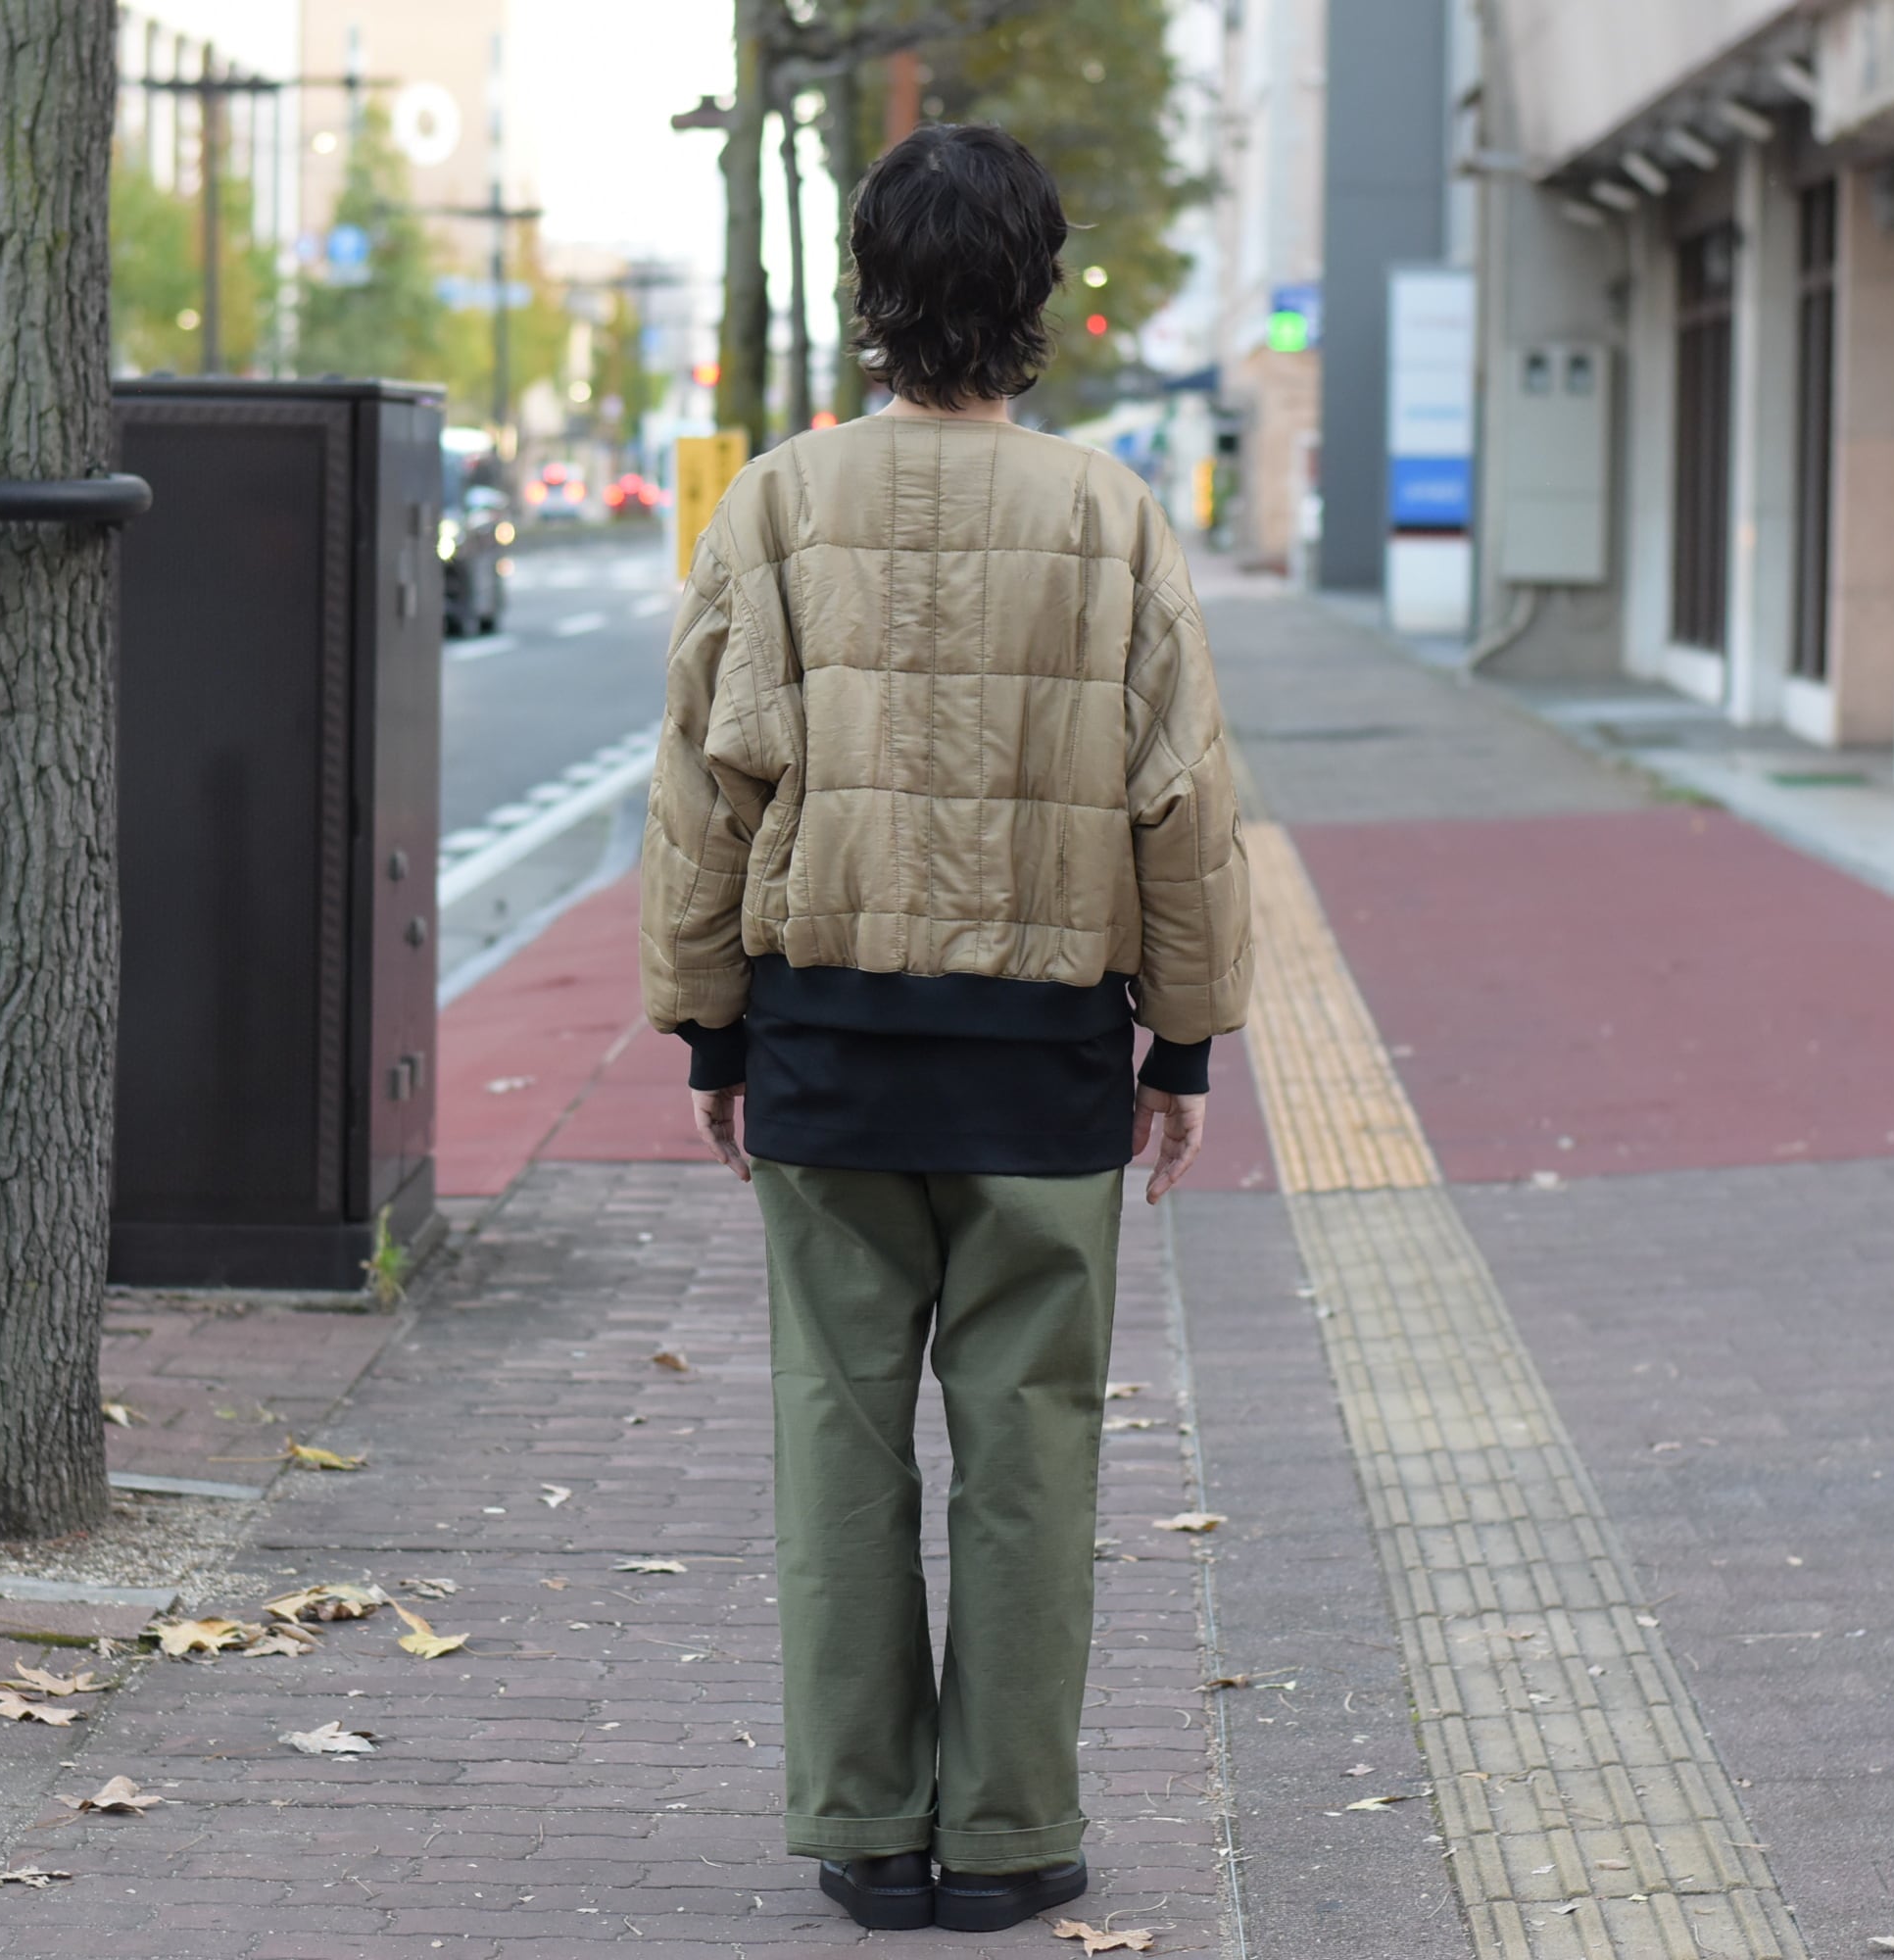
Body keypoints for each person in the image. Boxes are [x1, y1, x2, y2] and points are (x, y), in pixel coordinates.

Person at [639, 121, 1251, 1935]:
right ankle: (1008, 1838)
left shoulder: (776, 504)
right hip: (1043, 1065)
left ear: (870, 293)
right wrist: (1183, 1049)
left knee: (837, 1445)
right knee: (1031, 1451)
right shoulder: (1107, 514)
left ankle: (863, 1831)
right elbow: (1181, 803)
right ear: (1038, 289)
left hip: (828, 1053)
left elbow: (707, 791)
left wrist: (710, 1031)